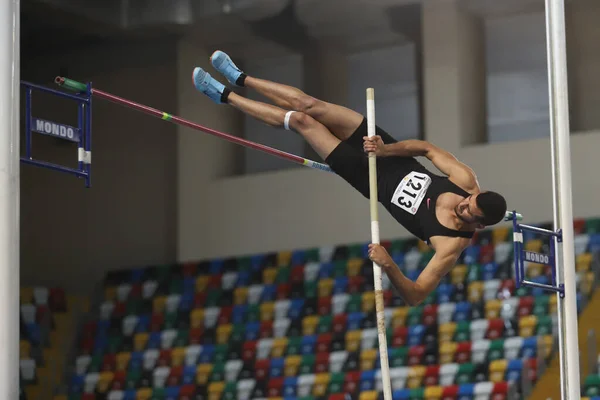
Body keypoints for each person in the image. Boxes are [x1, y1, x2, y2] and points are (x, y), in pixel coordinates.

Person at [192, 50, 508, 306]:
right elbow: (426, 149)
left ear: (478, 226)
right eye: (468, 201)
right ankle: (241, 77)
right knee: (309, 105)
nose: (463, 206)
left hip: (364, 176)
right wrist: (386, 150)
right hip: (381, 148)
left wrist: (388, 265)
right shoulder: (466, 180)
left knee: (302, 121)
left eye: (468, 213)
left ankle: (224, 96)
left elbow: (415, 295)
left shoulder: (450, 246)